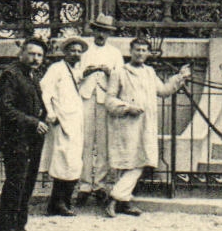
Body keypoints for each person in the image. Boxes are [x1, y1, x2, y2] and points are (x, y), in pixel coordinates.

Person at [103, 38, 192, 217]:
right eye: (137, 50)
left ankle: (118, 199)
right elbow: (109, 100)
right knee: (128, 163)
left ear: (148, 53)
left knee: (141, 162)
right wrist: (127, 107)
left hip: (146, 125)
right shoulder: (120, 72)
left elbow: (164, 90)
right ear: (130, 51)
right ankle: (118, 200)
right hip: (127, 125)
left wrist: (180, 77)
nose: (140, 53)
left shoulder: (150, 72)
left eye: (144, 50)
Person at [0, 38, 51, 231]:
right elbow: (4, 107)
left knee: (26, 187)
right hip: (15, 141)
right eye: (32, 54)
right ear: (22, 54)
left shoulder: (31, 75)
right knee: (14, 187)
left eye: (39, 55)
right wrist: (33, 122)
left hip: (32, 140)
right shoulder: (11, 74)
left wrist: (44, 116)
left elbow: (35, 103)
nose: (36, 58)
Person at [75, 15, 126, 206]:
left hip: (105, 99)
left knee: (103, 142)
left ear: (109, 34)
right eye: (98, 30)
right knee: (86, 142)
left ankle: (99, 185)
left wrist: (109, 72)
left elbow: (121, 77)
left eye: (105, 31)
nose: (101, 34)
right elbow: (75, 73)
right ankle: (84, 185)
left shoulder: (115, 53)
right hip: (86, 97)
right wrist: (85, 72)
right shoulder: (84, 51)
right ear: (93, 31)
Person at [40, 36, 89, 216]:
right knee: (63, 161)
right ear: (65, 52)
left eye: (79, 51)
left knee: (74, 161)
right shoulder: (57, 69)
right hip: (61, 121)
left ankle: (64, 202)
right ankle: (57, 203)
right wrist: (51, 113)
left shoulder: (77, 71)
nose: (76, 54)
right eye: (72, 50)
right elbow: (45, 91)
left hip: (75, 122)